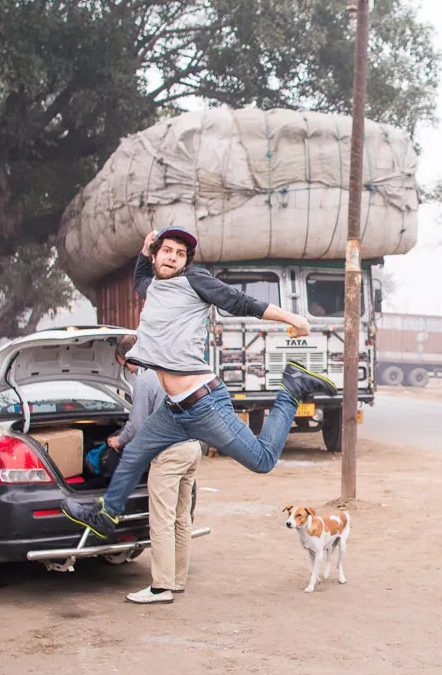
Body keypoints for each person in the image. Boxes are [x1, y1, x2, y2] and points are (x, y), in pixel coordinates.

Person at [62, 226, 336, 538]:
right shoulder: (153, 287)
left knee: (262, 460)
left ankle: (291, 387)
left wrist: (293, 318)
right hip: (173, 410)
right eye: (167, 251)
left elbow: (239, 301)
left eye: (180, 254)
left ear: (185, 262)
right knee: (134, 452)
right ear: (155, 256)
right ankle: (106, 515)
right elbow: (140, 277)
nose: (172, 258)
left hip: (204, 404)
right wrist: (143, 249)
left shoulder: (194, 281)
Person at [110, 336, 200, 605]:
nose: (129, 371)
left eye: (126, 366)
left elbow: (137, 423)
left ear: (132, 358)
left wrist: (118, 440)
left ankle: (161, 588)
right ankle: (177, 580)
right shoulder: (173, 368)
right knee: (182, 518)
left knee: (161, 521)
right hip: (192, 447)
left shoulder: (145, 378)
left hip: (168, 454)